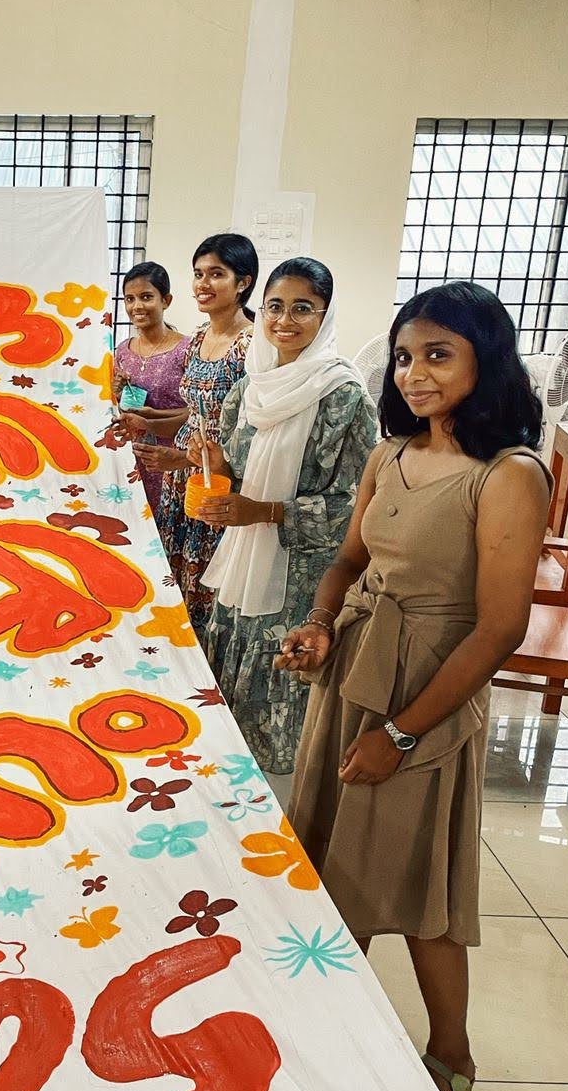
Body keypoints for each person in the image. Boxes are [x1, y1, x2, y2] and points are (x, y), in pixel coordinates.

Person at [277, 281, 550, 1091]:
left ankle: (451, 1048)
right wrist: (320, 625)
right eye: (403, 356)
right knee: (332, 860)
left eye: (438, 355)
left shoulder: (508, 475)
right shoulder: (390, 454)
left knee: (417, 877)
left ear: (485, 362)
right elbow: (349, 562)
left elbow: (498, 629)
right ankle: (328, 1028)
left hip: (429, 694)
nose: (414, 373)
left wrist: (399, 734)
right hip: (354, 676)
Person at [186, 259, 376, 781]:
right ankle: (232, 795)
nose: (284, 320)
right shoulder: (251, 388)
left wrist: (265, 512)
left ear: (325, 316)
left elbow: (358, 506)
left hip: (304, 579)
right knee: (231, 698)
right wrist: (219, 467)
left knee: (285, 689)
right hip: (245, 566)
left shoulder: (344, 396)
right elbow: (241, 469)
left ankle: (283, 809)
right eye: (275, 307)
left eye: (302, 308)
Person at [132, 232, 256, 637]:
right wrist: (150, 422)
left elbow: (247, 430)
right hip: (182, 478)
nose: (203, 283)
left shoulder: (251, 345)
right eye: (198, 274)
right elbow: (194, 413)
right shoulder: (200, 337)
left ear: (243, 282)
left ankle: (207, 666)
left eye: (216, 274)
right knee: (178, 578)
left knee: (211, 584)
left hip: (220, 478)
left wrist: (183, 458)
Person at [111, 262, 189, 520]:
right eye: (130, 299)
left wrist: (153, 417)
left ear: (166, 300)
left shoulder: (187, 350)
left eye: (146, 297)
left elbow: (200, 412)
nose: (137, 306)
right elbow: (119, 407)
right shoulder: (123, 350)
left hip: (173, 460)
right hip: (132, 460)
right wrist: (116, 393)